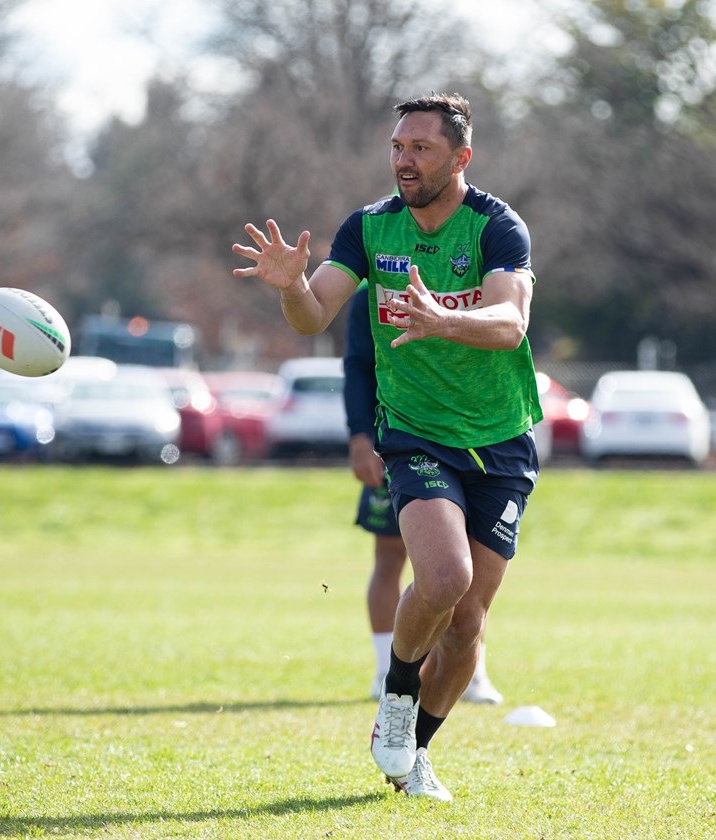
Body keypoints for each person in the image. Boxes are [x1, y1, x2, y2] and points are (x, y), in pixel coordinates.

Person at [233, 92, 542, 802]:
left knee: (467, 626)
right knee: (443, 578)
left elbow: (509, 324)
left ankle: (416, 752)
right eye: (398, 147)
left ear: (460, 158)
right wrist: (287, 290)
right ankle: (396, 705)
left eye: (421, 149)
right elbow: (313, 316)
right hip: (414, 434)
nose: (404, 160)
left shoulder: (496, 227)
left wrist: (441, 320)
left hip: (500, 441)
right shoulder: (370, 228)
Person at [344, 281, 504, 705]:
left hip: (469, 447)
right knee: (390, 558)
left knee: (468, 569)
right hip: (400, 445)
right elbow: (358, 363)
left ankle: (473, 671)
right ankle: (386, 671)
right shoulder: (370, 291)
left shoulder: (475, 279)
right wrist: (361, 437)